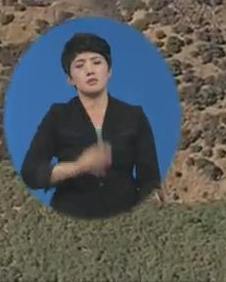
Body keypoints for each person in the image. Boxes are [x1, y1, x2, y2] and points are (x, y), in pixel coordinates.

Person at [20, 32, 161, 218]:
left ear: (109, 71)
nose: (90, 70)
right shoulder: (59, 115)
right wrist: (79, 166)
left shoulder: (134, 116)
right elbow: (31, 173)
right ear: (70, 79)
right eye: (80, 65)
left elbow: (150, 178)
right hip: (70, 214)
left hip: (124, 216)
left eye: (97, 62)